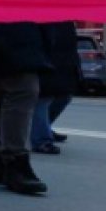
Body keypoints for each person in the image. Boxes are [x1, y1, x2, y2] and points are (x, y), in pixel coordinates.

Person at [0, 23, 48, 195]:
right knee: (23, 88)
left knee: (2, 93)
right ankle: (15, 162)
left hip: (0, 23)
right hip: (11, 23)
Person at [31, 22, 79, 155]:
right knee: (43, 99)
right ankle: (40, 138)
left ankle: (42, 128)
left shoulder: (64, 19)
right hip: (47, 62)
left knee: (64, 96)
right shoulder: (45, 16)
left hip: (62, 63)